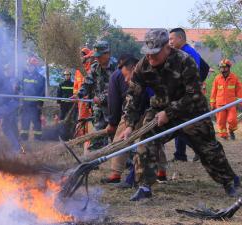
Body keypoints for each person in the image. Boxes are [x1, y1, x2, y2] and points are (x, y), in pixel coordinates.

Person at [122, 29, 238, 201]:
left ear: (167, 48)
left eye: (155, 54)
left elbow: (194, 95)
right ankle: (144, 187)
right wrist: (130, 124)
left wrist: (169, 113)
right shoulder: (143, 65)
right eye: (147, 54)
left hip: (192, 111)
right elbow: (133, 95)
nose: (150, 58)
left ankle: (230, 183)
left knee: (209, 150)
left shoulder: (185, 61)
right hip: (160, 109)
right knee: (146, 142)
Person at [101, 56, 168, 185]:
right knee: (153, 139)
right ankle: (161, 171)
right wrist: (128, 124)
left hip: (154, 110)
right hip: (140, 110)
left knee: (145, 140)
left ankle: (119, 174)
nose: (126, 80)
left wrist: (114, 123)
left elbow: (114, 102)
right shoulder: (132, 75)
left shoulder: (148, 74)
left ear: (134, 68)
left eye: (127, 76)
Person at [169, 27, 206, 162]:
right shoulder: (182, 51)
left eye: (172, 39)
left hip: (188, 97)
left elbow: (191, 77)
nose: (170, 42)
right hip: (182, 96)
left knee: (184, 127)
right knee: (181, 126)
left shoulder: (188, 53)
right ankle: (180, 154)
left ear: (180, 38)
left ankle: (200, 151)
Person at [77, 41, 112, 150]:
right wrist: (79, 94)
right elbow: (87, 82)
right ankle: (92, 162)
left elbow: (115, 91)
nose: (97, 59)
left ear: (107, 54)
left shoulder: (117, 67)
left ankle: (130, 164)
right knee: (97, 137)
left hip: (114, 110)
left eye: (99, 56)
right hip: (100, 110)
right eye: (96, 56)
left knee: (120, 138)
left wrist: (101, 98)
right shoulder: (95, 67)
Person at [210, 59, 242, 140]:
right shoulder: (217, 78)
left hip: (231, 103)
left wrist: (240, 101)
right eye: (221, 68)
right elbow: (213, 92)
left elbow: (239, 90)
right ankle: (224, 135)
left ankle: (231, 130)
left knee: (233, 120)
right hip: (220, 104)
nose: (223, 70)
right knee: (221, 121)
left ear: (229, 68)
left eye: (225, 68)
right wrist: (212, 104)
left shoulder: (234, 78)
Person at [19, 57, 46, 141]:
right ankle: (24, 137)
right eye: (28, 65)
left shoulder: (41, 78)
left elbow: (42, 93)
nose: (29, 67)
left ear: (35, 67)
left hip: (35, 104)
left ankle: (37, 138)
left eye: (31, 65)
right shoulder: (23, 76)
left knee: (36, 121)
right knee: (24, 121)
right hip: (25, 103)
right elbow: (21, 88)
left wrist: (40, 104)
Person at [73, 48, 93, 140]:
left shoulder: (91, 67)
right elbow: (76, 86)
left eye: (83, 55)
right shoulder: (78, 71)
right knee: (81, 118)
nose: (81, 58)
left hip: (91, 99)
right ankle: (81, 137)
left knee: (92, 118)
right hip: (81, 100)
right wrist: (75, 96)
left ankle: (91, 137)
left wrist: (87, 56)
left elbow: (93, 53)